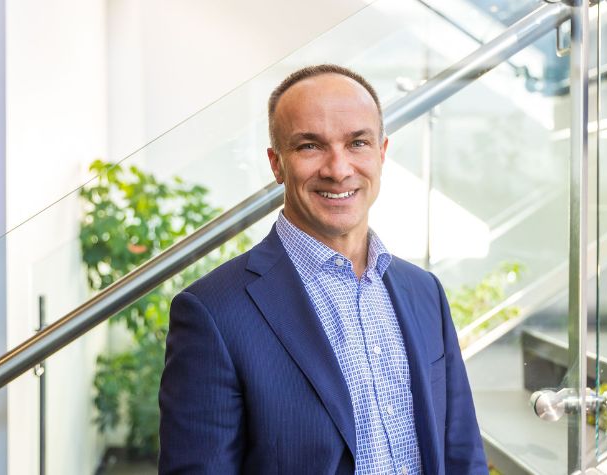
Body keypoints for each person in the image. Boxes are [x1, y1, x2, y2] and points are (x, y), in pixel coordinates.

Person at [158, 64, 487, 474]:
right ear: (277, 164)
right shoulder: (214, 312)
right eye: (310, 146)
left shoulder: (424, 292)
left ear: (381, 154)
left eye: (357, 143)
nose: (338, 169)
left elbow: (462, 453)